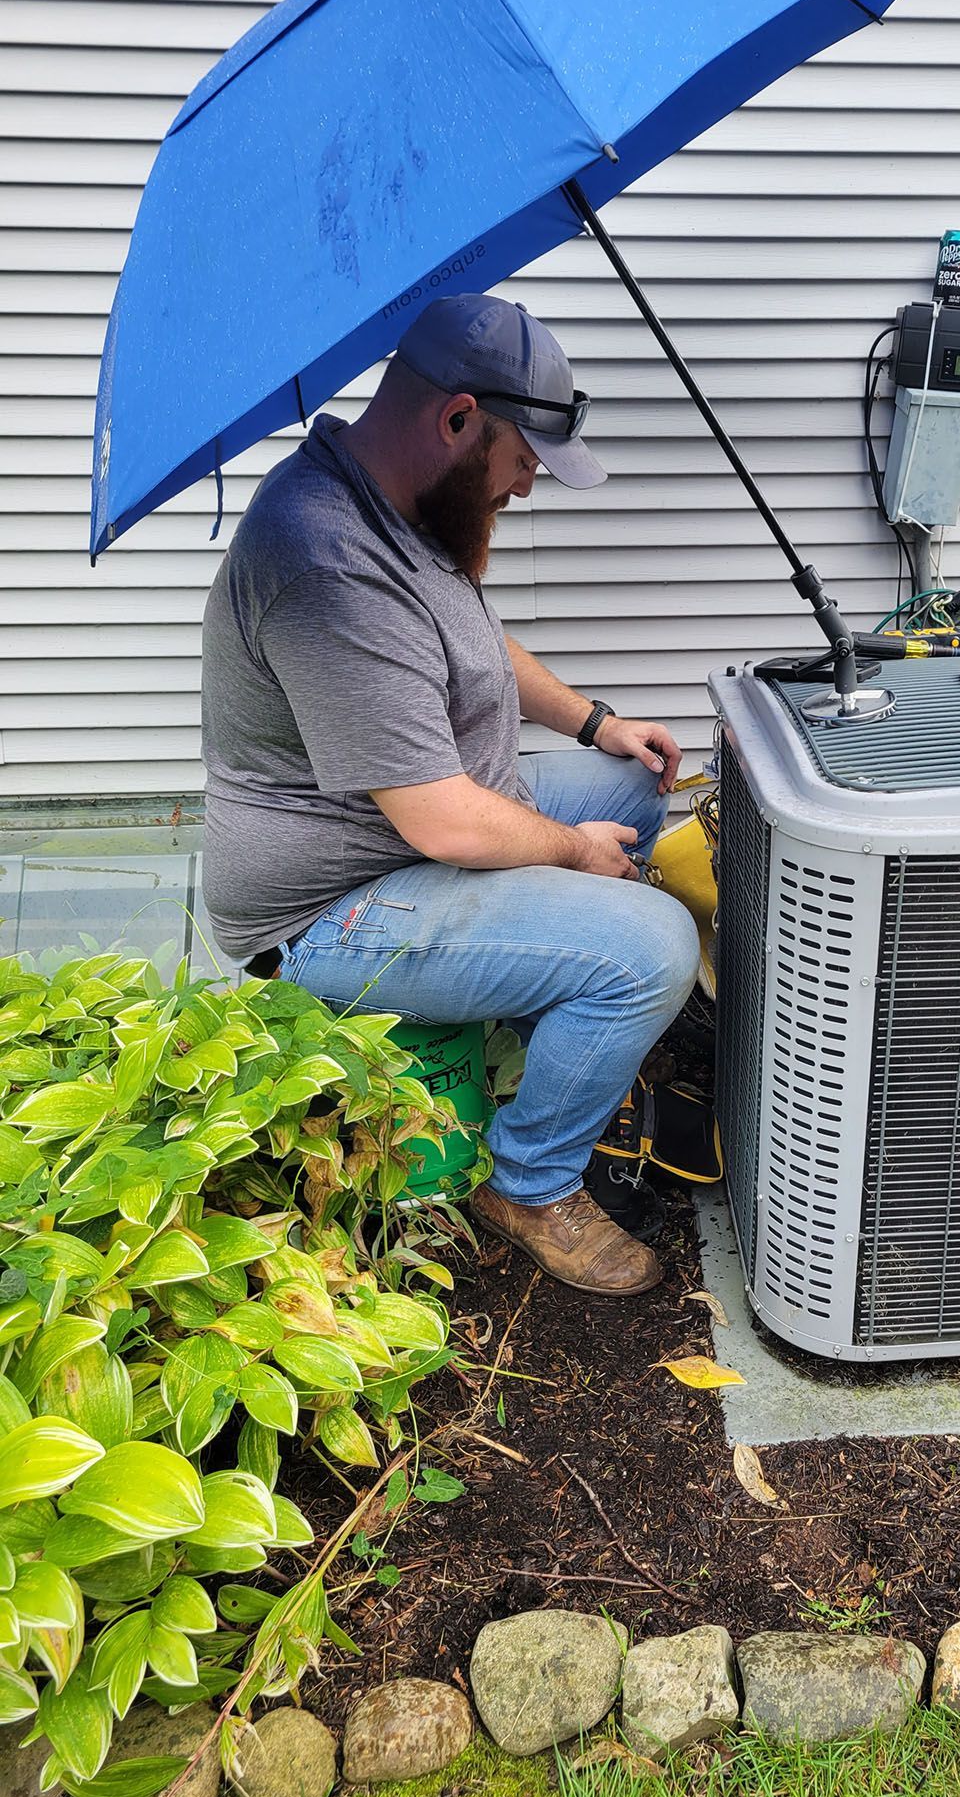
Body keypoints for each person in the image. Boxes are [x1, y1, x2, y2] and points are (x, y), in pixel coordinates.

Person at [200, 292, 700, 1297]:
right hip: (335, 903)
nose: (525, 487)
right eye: (524, 461)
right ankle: (531, 1183)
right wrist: (573, 857)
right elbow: (437, 819)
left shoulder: (397, 499)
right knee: (653, 947)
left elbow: (474, 640)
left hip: (421, 823)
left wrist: (598, 724)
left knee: (631, 788)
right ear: (459, 419)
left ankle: (547, 1006)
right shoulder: (323, 562)